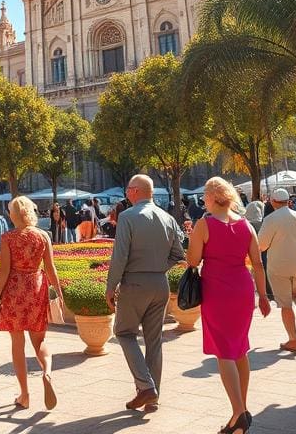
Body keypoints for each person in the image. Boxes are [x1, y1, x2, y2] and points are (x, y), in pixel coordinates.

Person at [187, 177, 270, 434]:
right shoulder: (246, 225)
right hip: (243, 289)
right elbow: (257, 263)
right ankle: (241, 411)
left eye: (204, 197)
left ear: (212, 197)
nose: (203, 201)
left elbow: (193, 260)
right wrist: (264, 296)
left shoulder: (205, 224)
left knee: (224, 352)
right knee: (240, 348)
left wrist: (192, 237)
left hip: (217, 290)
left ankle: (238, 413)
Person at [105, 175, 186, 413]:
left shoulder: (128, 217)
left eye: (129, 189)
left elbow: (119, 256)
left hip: (134, 283)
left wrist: (111, 286)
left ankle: (146, 386)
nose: (127, 193)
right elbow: (178, 254)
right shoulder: (168, 218)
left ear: (136, 191)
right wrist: (159, 268)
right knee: (154, 341)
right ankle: (152, 396)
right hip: (159, 283)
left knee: (124, 332)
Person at [0, 196, 61, 410]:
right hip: (36, 288)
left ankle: (24, 395)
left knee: (17, 344)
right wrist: (59, 292)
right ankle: (47, 372)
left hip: (14, 291)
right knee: (39, 340)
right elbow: (50, 268)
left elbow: (3, 271)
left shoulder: (8, 238)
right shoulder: (43, 236)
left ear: (13, 215)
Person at [257, 188, 296, 353]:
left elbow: (261, 245)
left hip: (279, 266)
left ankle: (293, 340)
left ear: (273, 201)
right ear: (289, 201)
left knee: (285, 304)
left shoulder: (270, 220)